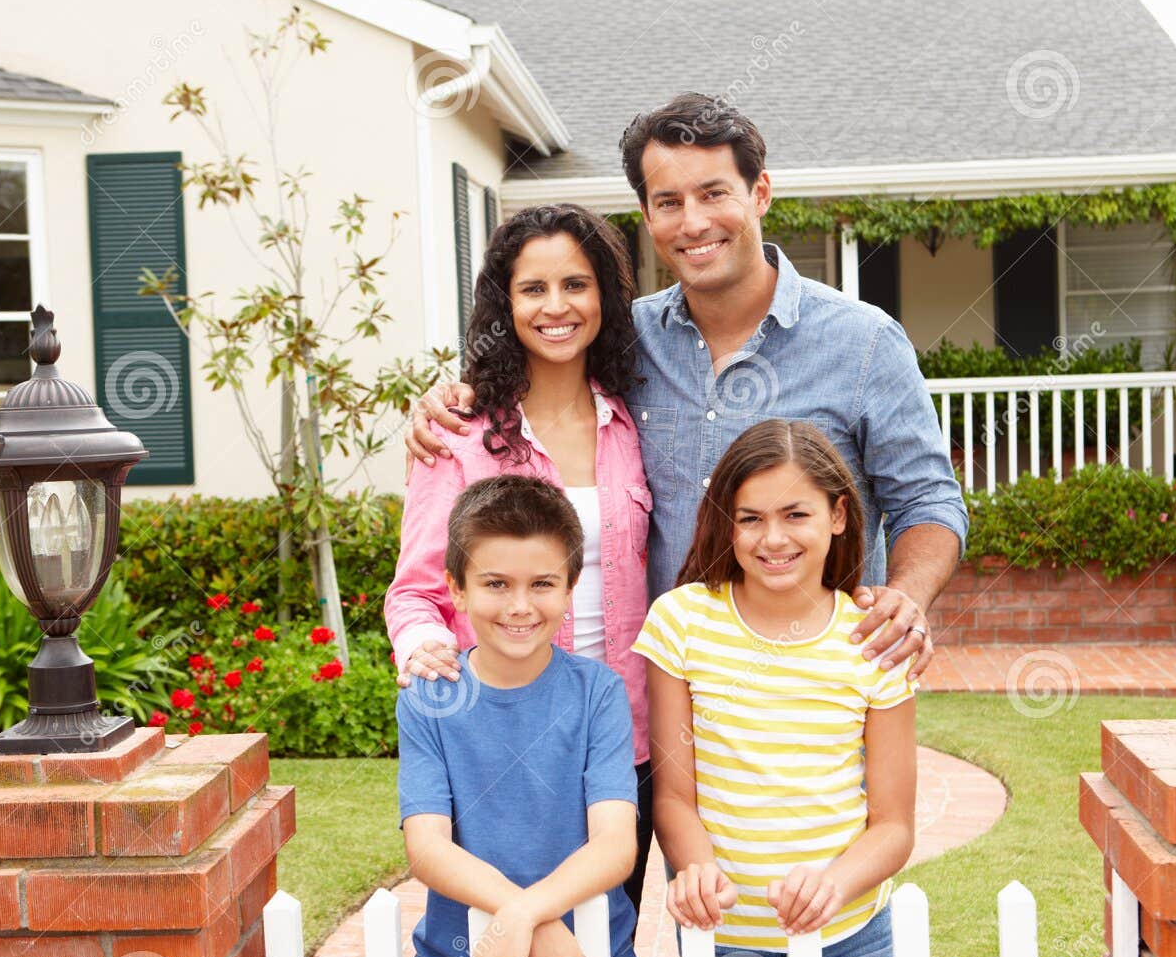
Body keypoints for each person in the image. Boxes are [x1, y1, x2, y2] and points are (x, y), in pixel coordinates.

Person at [406, 92, 967, 682]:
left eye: (713, 193)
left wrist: (907, 595)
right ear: (647, 218)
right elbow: (540, 369)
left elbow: (927, 500)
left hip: (814, 692)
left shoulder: (864, 344)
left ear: (761, 193)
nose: (693, 222)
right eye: (668, 202)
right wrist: (453, 399)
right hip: (667, 694)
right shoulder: (624, 340)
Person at [384, 203, 656, 923]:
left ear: (604, 294)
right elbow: (414, 591)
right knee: (502, 947)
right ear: (506, 304)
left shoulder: (635, 420)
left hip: (624, 735)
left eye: (576, 284)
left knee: (605, 952)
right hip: (503, 739)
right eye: (533, 289)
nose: (556, 306)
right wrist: (426, 651)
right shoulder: (460, 436)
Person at [632, 420, 917, 957]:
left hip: (850, 942)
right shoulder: (681, 623)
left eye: (796, 514)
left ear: (839, 515)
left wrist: (834, 885)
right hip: (728, 943)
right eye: (751, 518)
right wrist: (699, 871)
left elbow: (894, 825)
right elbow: (674, 797)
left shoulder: (872, 640)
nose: (774, 538)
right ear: (727, 524)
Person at [397, 475, 640, 957]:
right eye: (496, 584)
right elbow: (427, 848)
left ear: (572, 586)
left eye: (542, 584)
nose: (520, 606)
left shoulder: (598, 693)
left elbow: (615, 844)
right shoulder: (429, 698)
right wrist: (525, 915)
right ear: (456, 589)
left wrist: (523, 916)